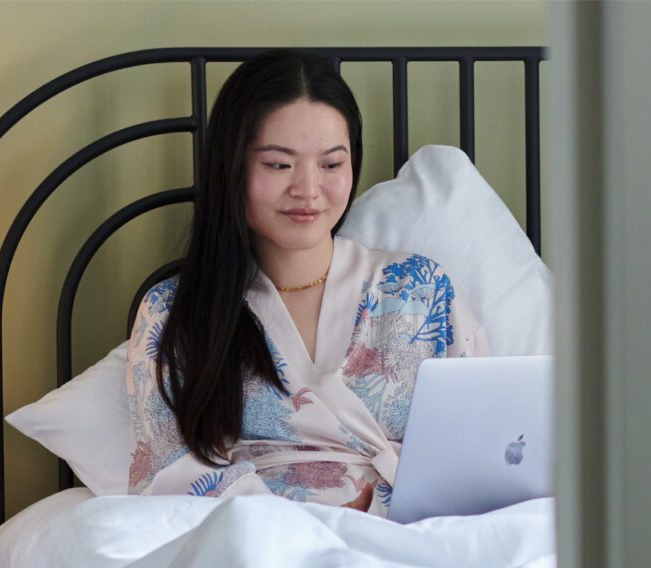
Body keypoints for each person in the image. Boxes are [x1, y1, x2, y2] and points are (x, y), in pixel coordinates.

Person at [127, 49, 488, 514]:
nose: (308, 189)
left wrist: (377, 511)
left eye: (331, 164)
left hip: (412, 532)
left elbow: (485, 443)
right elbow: (166, 470)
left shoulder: (422, 289)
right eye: (279, 165)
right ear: (230, 167)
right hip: (253, 547)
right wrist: (308, 526)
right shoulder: (173, 311)